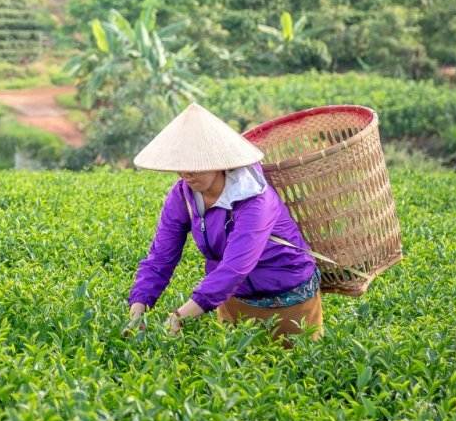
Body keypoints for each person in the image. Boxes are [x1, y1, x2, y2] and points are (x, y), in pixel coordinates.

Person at [126, 103, 323, 341]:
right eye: (180, 163)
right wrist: (138, 308)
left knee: (293, 369)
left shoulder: (256, 200)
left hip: (289, 300)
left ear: (220, 161)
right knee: (234, 369)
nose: (185, 173)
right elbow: (160, 257)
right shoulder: (182, 195)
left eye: (196, 164)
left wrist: (180, 315)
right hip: (232, 298)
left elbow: (235, 267)